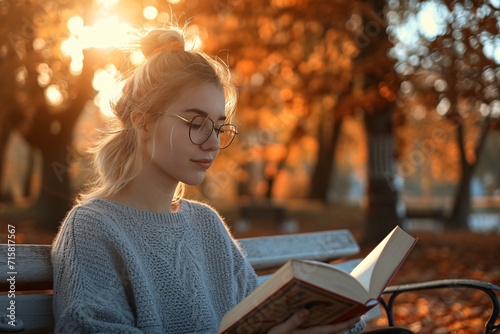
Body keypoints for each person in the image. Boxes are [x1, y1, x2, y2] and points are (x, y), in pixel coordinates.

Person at [51, 26, 408, 334]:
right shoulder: (92, 228)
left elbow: (256, 316)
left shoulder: (206, 224)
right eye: (195, 123)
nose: (211, 142)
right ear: (143, 123)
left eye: (219, 127)